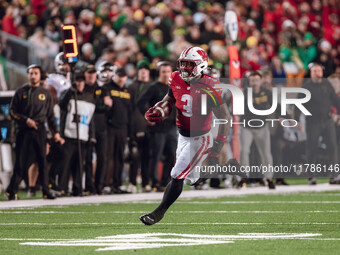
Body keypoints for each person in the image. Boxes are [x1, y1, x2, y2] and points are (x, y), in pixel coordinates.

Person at [139, 46, 230, 225]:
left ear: (201, 66)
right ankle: (209, 172)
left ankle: (158, 213)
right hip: (182, 135)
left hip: (201, 137)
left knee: (177, 173)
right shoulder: (175, 78)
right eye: (182, 64)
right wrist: (161, 109)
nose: (184, 68)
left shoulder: (211, 85)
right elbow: (170, 99)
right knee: (190, 179)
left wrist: (218, 146)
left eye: (189, 64)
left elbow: (224, 116)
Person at [5, 64, 64, 200]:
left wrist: (56, 133)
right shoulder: (21, 92)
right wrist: (25, 120)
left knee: (42, 162)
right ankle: (11, 191)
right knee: (21, 163)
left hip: (40, 131)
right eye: (31, 73)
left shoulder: (46, 94)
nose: (33, 76)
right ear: (28, 75)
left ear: (39, 75)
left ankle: (45, 190)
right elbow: (12, 112)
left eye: (35, 73)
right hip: (23, 131)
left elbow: (50, 116)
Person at [296, 63, 340, 184]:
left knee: (332, 147)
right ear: (311, 73)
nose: (317, 73)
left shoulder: (327, 84)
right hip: (312, 122)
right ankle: (312, 176)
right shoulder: (305, 87)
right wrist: (297, 120)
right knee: (311, 149)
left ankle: (335, 175)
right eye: (314, 71)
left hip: (327, 120)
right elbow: (298, 105)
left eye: (319, 70)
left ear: (322, 72)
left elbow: (336, 101)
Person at [137, 61, 177, 192]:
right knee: (156, 155)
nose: (166, 74)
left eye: (168, 71)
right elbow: (141, 102)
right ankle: (154, 182)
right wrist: (148, 116)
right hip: (157, 128)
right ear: (159, 73)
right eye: (163, 72)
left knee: (171, 154)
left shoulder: (174, 87)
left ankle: (165, 182)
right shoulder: (154, 87)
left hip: (171, 127)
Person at [56, 71, 96, 196]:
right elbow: (61, 104)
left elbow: (90, 118)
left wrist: (92, 135)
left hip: (82, 134)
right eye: (77, 81)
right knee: (65, 164)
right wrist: (70, 91)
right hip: (68, 134)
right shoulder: (67, 93)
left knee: (79, 164)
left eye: (81, 81)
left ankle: (77, 188)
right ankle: (62, 187)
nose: (79, 84)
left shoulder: (89, 96)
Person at [239, 71, 275, 189]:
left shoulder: (267, 93)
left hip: (262, 127)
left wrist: (285, 117)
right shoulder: (243, 93)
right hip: (246, 127)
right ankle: (244, 177)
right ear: (248, 81)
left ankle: (269, 178)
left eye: (256, 80)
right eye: (252, 80)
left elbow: (276, 106)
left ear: (260, 81)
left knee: (266, 153)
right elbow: (232, 104)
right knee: (244, 151)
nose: (254, 83)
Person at [105, 68, 132, 193]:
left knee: (119, 156)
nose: (121, 78)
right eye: (119, 76)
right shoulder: (107, 88)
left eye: (123, 76)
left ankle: (117, 183)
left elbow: (131, 111)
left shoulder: (128, 91)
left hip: (123, 127)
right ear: (114, 76)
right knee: (107, 156)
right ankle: (105, 183)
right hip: (109, 127)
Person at [129, 58, 152, 192]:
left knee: (147, 156)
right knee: (134, 155)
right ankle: (132, 182)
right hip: (135, 124)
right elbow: (130, 108)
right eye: (141, 69)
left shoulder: (152, 86)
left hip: (148, 125)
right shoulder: (132, 87)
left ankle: (145, 182)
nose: (143, 72)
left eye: (145, 69)